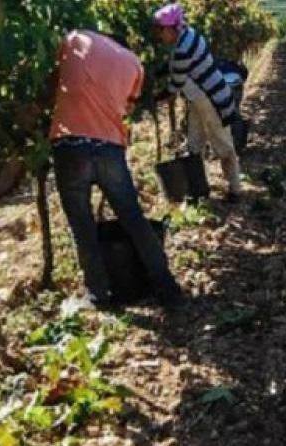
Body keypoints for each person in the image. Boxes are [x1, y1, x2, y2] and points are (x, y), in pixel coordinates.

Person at [47, 29, 183, 308]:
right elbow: (127, 108)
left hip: (70, 145)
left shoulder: (75, 39)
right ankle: (166, 286)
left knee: (82, 226)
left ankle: (99, 295)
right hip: (109, 146)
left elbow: (56, 80)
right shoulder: (134, 63)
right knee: (133, 218)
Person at [153, 3, 244, 203]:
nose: (159, 36)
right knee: (194, 141)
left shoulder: (182, 48)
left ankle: (235, 189)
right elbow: (178, 67)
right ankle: (197, 188)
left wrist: (158, 96)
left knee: (222, 143)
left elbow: (175, 83)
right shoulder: (189, 34)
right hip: (198, 98)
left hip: (210, 98)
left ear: (171, 28)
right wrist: (162, 70)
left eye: (160, 30)